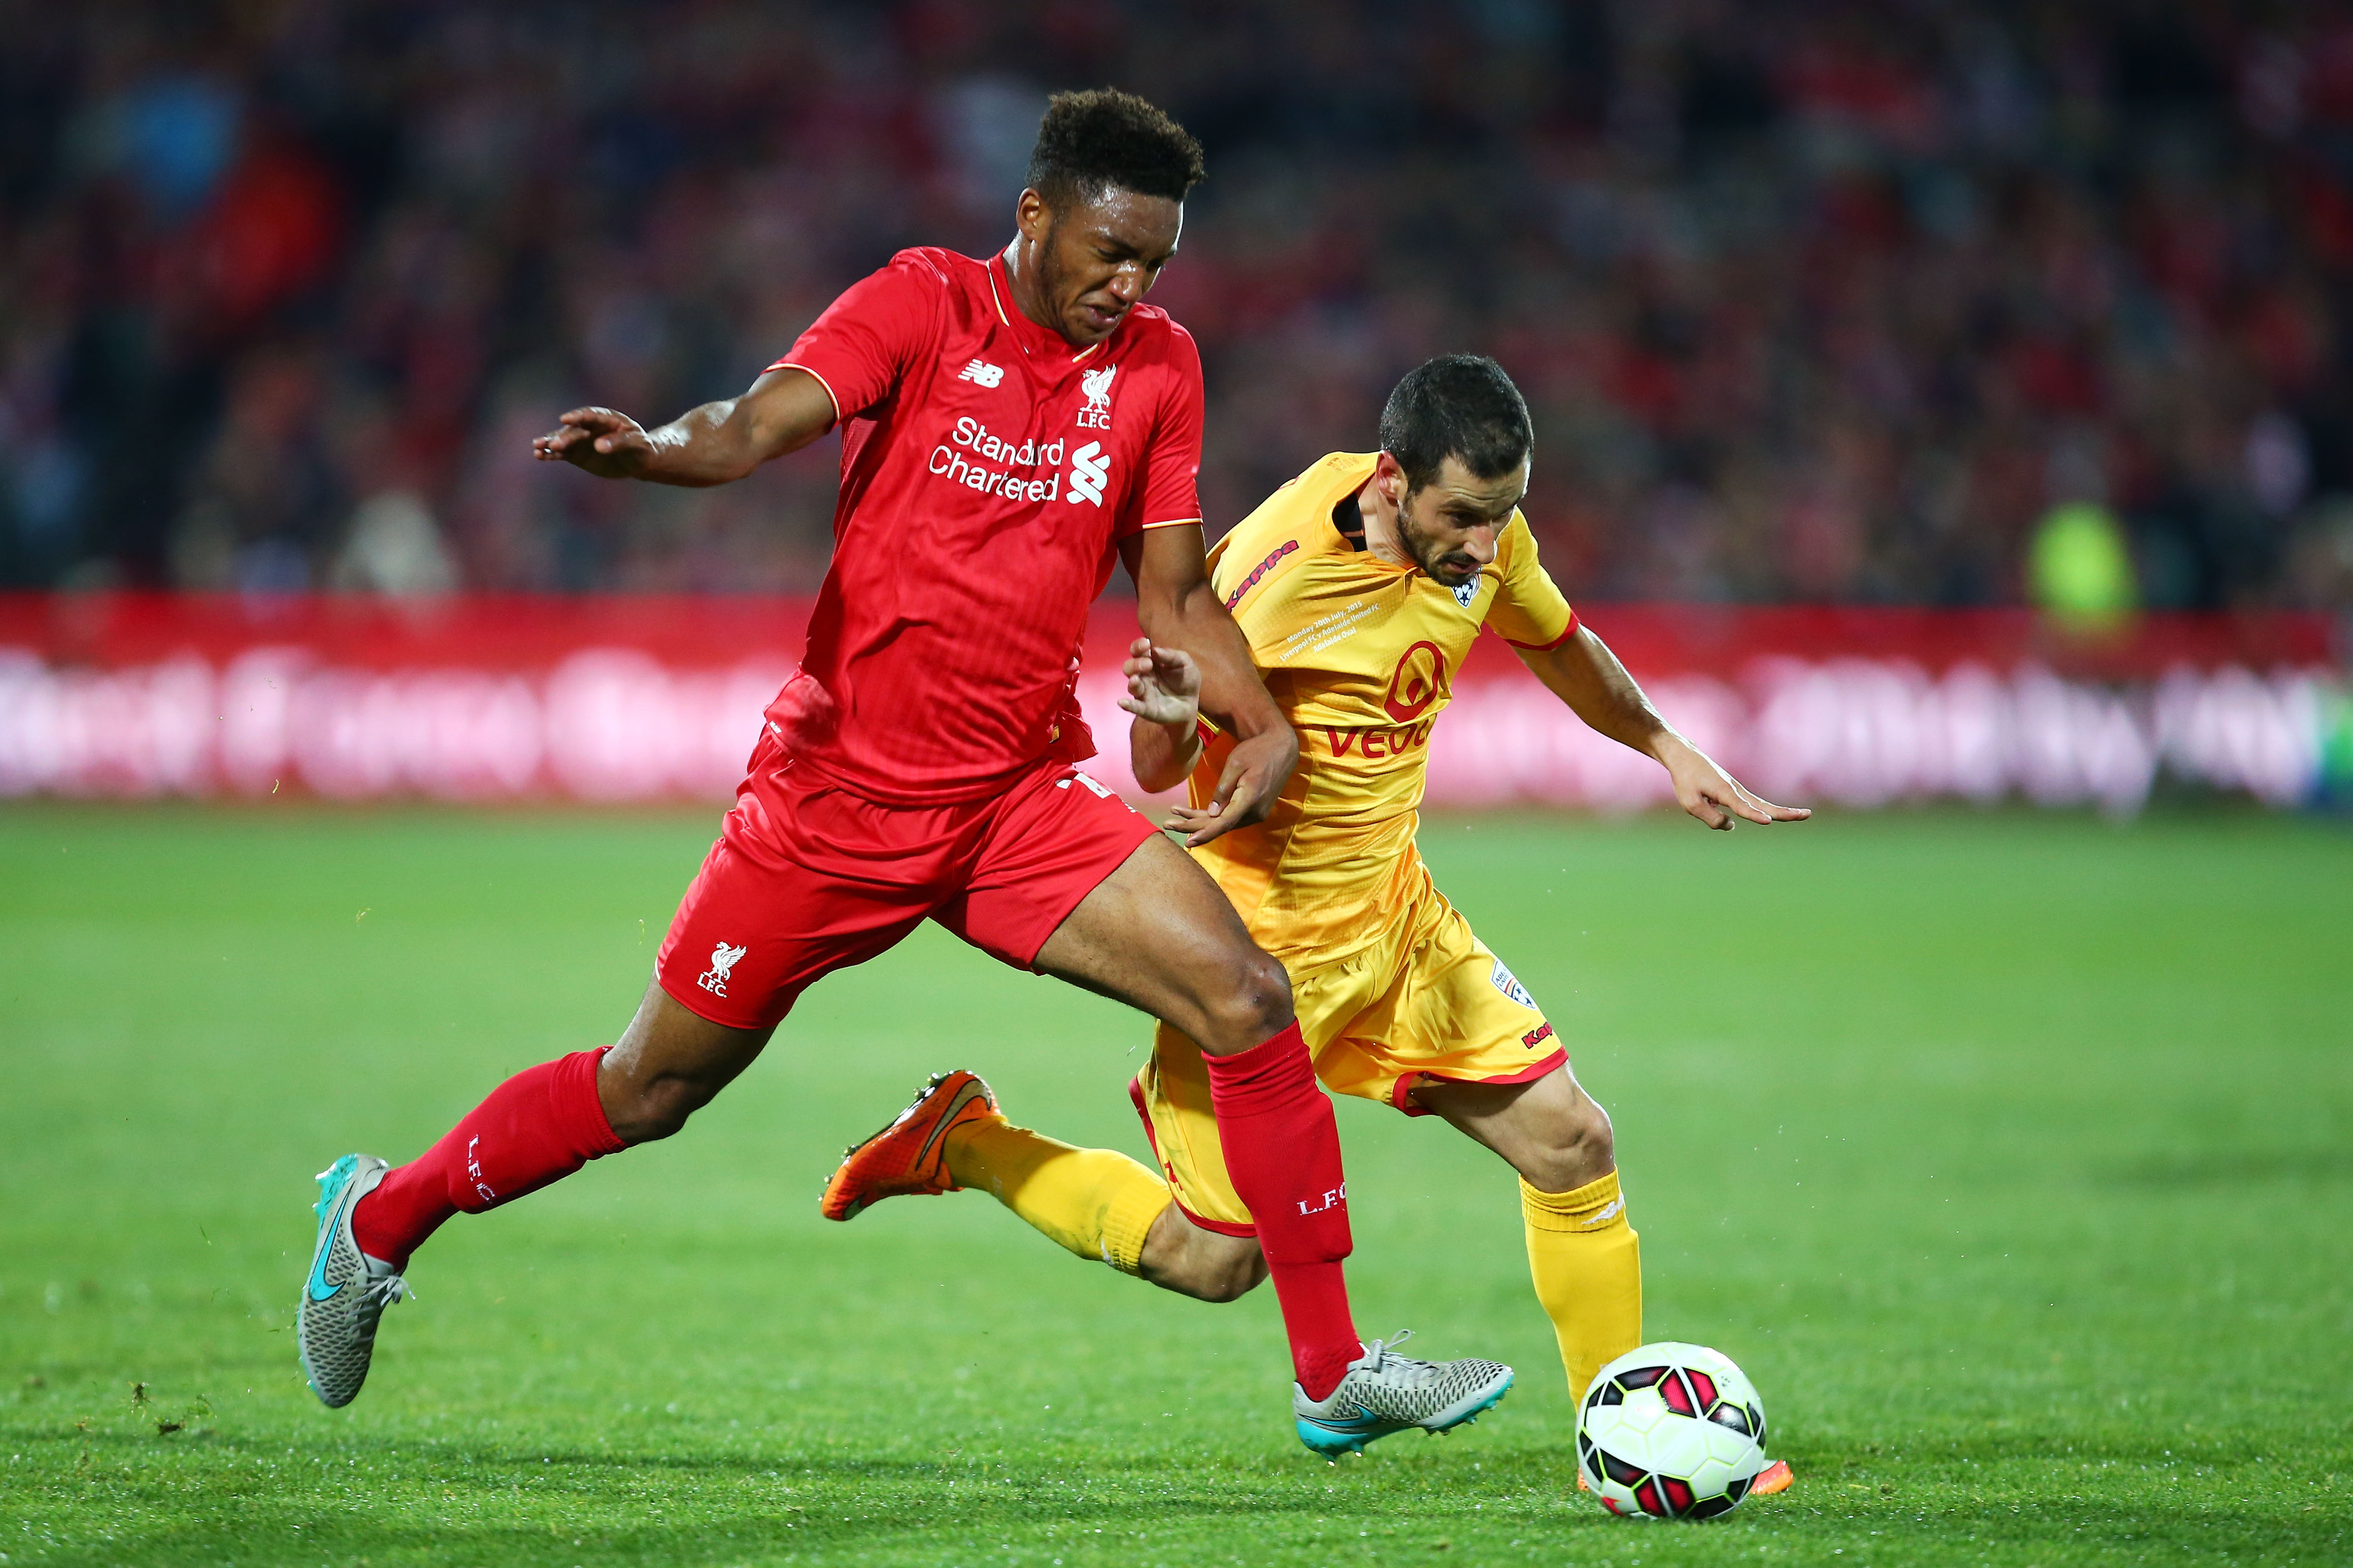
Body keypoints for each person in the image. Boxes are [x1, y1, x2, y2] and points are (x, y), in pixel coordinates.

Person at [297, 91, 1513, 1448]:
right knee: (650, 1090)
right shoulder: (922, 304)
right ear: (1034, 215)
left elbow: (1174, 596)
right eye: (1110, 251)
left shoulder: (1160, 366)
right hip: (831, 804)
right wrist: (656, 454)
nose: (1130, 285)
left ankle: (1329, 1371)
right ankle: (378, 1218)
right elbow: (752, 422)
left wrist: (1265, 724)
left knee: (1246, 995)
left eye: (1154, 262)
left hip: (1012, 802)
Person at [822, 355, 1807, 1472]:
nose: (1486, 542)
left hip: (1397, 928)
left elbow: (1560, 643)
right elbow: (1156, 760)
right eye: (1463, 516)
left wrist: (1663, 745)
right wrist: (1176, 714)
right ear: (1391, 480)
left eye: (1504, 514)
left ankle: (1619, 1440)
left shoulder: (1487, 539)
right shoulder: (1269, 571)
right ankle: (967, 1140)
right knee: (1214, 1260)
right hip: (1251, 963)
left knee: (1574, 1140)